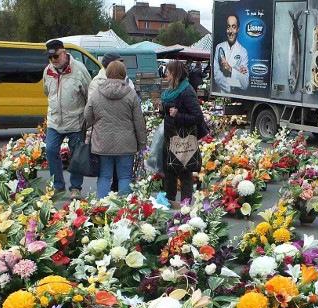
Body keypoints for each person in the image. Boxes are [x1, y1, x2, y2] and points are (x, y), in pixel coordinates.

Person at [85, 60, 146, 199]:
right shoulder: (131, 94)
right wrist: (142, 143)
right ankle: (123, 210)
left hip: (102, 142)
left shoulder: (96, 93)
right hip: (126, 142)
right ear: (123, 74)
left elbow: (87, 116)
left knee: (104, 176)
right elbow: (139, 121)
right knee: (125, 176)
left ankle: (101, 207)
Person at [42, 39, 92, 199]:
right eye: (50, 58)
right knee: (50, 150)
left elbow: (89, 94)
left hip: (75, 121)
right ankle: (58, 185)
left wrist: (87, 118)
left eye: (56, 56)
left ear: (64, 53)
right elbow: (46, 91)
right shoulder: (48, 71)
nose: (53, 60)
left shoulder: (79, 70)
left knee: (76, 155)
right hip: (55, 121)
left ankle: (75, 188)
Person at [161, 60, 205, 207]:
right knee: (169, 171)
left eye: (167, 72)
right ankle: (170, 203)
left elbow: (198, 117)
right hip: (170, 137)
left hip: (183, 138)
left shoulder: (187, 91)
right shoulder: (170, 91)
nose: (165, 75)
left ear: (174, 74)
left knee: (184, 172)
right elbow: (169, 110)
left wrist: (178, 115)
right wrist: (164, 111)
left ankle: (185, 207)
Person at [213, 14, 249, 93]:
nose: (230, 31)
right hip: (221, 93)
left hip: (237, 95)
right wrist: (237, 73)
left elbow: (245, 83)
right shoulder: (219, 47)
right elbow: (216, 75)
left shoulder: (243, 51)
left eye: (233, 27)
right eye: (228, 27)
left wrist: (230, 70)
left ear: (238, 30)